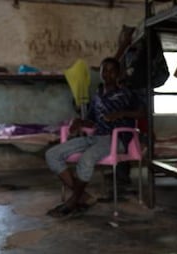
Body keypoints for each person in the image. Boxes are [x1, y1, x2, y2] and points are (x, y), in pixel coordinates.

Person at [45, 57, 146, 218]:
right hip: (96, 137)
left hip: (115, 139)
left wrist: (121, 113)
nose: (108, 74)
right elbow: (92, 122)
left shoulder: (127, 94)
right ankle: (83, 197)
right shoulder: (97, 95)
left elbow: (142, 113)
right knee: (52, 154)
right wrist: (80, 122)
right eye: (104, 70)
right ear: (100, 73)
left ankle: (72, 202)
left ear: (118, 73)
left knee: (86, 159)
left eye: (112, 70)